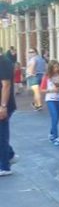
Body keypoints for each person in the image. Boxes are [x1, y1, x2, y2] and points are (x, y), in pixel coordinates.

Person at [0, 48, 16, 176]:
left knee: (1, 135)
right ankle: (9, 154)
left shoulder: (4, 62)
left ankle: (5, 166)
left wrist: (3, 106)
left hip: (4, 104)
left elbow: (6, 85)